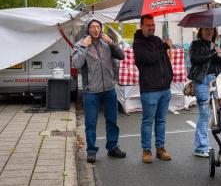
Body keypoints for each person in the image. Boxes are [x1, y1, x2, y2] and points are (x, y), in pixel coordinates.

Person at [72, 19, 126, 163]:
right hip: (91, 91)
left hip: (109, 89)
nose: (96, 30)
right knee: (91, 123)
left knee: (112, 121)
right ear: (88, 29)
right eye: (92, 27)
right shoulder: (80, 44)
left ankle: (113, 147)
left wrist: (112, 43)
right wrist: (84, 47)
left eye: (98, 27)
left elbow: (122, 56)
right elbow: (76, 63)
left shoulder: (106, 43)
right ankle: (91, 151)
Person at [133, 14, 173, 163]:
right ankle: (146, 150)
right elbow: (149, 58)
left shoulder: (157, 40)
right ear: (141, 26)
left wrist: (169, 77)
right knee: (148, 121)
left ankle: (160, 148)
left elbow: (163, 60)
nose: (152, 27)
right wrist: (164, 46)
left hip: (164, 87)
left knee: (161, 120)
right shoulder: (138, 43)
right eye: (149, 25)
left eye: (153, 24)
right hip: (150, 88)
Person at [188, 28, 221, 157]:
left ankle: (204, 144)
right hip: (202, 81)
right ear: (201, 31)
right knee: (204, 114)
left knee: (215, 113)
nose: (209, 31)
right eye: (206, 29)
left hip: (215, 81)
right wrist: (212, 52)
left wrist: (220, 56)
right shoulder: (196, 44)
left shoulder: (215, 45)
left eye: (211, 29)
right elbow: (195, 59)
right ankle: (201, 147)